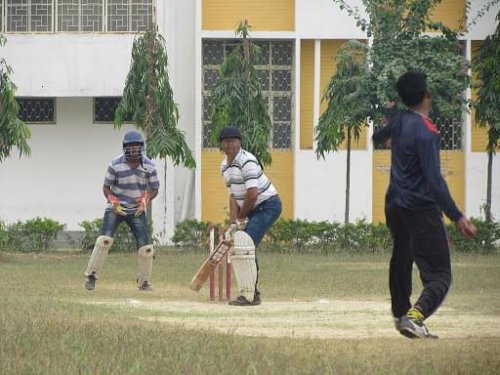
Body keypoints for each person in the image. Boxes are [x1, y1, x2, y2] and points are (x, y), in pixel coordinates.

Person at [372, 71, 477, 339]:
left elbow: (377, 138)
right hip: (420, 208)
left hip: (395, 204)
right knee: (440, 274)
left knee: (403, 256)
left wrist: (390, 140)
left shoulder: (399, 121)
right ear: (427, 95)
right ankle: (415, 317)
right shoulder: (427, 132)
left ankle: (400, 314)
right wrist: (458, 216)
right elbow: (434, 180)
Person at [84, 130, 159, 291]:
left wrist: (146, 198)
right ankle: (91, 276)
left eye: (137, 146)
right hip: (115, 208)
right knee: (104, 239)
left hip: (136, 209)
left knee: (146, 248)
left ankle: (144, 281)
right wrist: (113, 200)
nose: (134, 150)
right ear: (124, 147)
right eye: (130, 146)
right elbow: (106, 187)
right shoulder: (115, 164)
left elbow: (154, 189)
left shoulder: (150, 166)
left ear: (142, 148)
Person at [219, 126, 282, 306]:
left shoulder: (247, 161)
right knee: (243, 244)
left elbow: (252, 194)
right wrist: (233, 221)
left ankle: (250, 295)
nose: (230, 144)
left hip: (268, 205)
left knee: (244, 243)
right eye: (226, 141)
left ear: (240, 142)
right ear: (221, 144)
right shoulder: (224, 165)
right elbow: (233, 195)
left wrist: (241, 217)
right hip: (252, 207)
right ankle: (251, 293)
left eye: (233, 140)